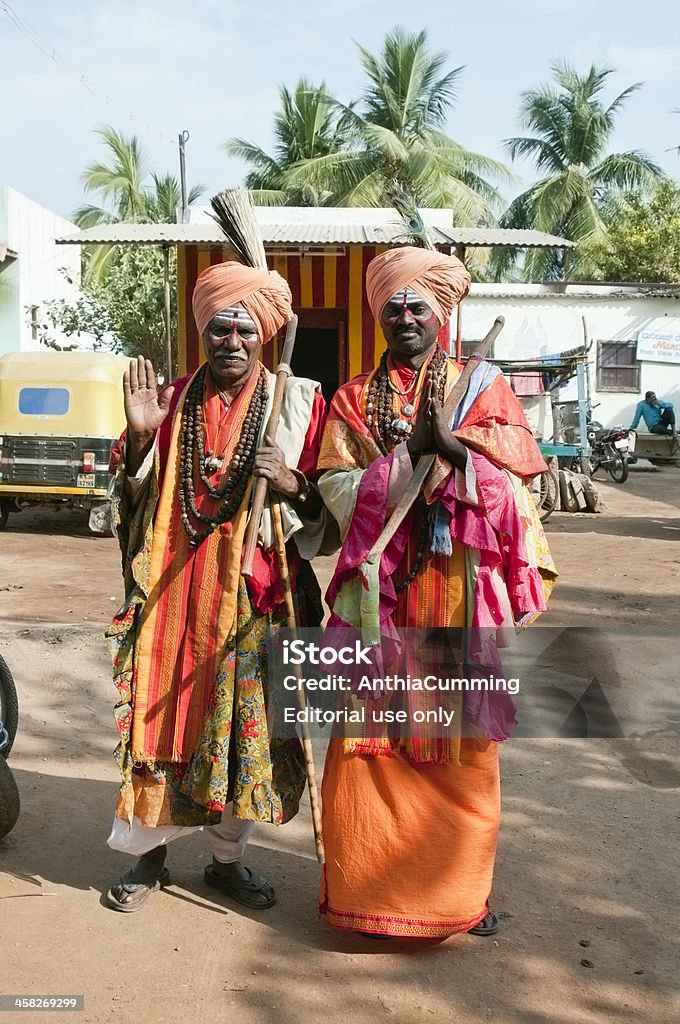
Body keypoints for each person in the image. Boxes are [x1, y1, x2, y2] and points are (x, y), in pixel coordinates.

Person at [315, 245, 557, 939]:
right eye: (391, 306)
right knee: (368, 745)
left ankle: (459, 897)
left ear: (443, 313)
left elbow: (518, 493)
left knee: (465, 752)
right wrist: (398, 467)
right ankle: (368, 892)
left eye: (417, 304)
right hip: (378, 601)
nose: (404, 316)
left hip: (457, 596)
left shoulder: (485, 391)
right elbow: (334, 484)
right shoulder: (353, 398)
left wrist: (455, 454)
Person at [105, 260, 331, 912]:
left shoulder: (296, 405)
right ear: (204, 333)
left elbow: (330, 515)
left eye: (244, 330)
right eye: (220, 329)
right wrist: (143, 442)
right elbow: (131, 499)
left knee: (246, 738)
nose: (231, 341)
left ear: (262, 336)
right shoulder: (171, 401)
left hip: (253, 602)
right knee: (158, 722)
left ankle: (227, 861)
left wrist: (292, 483)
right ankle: (145, 858)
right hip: (172, 597)